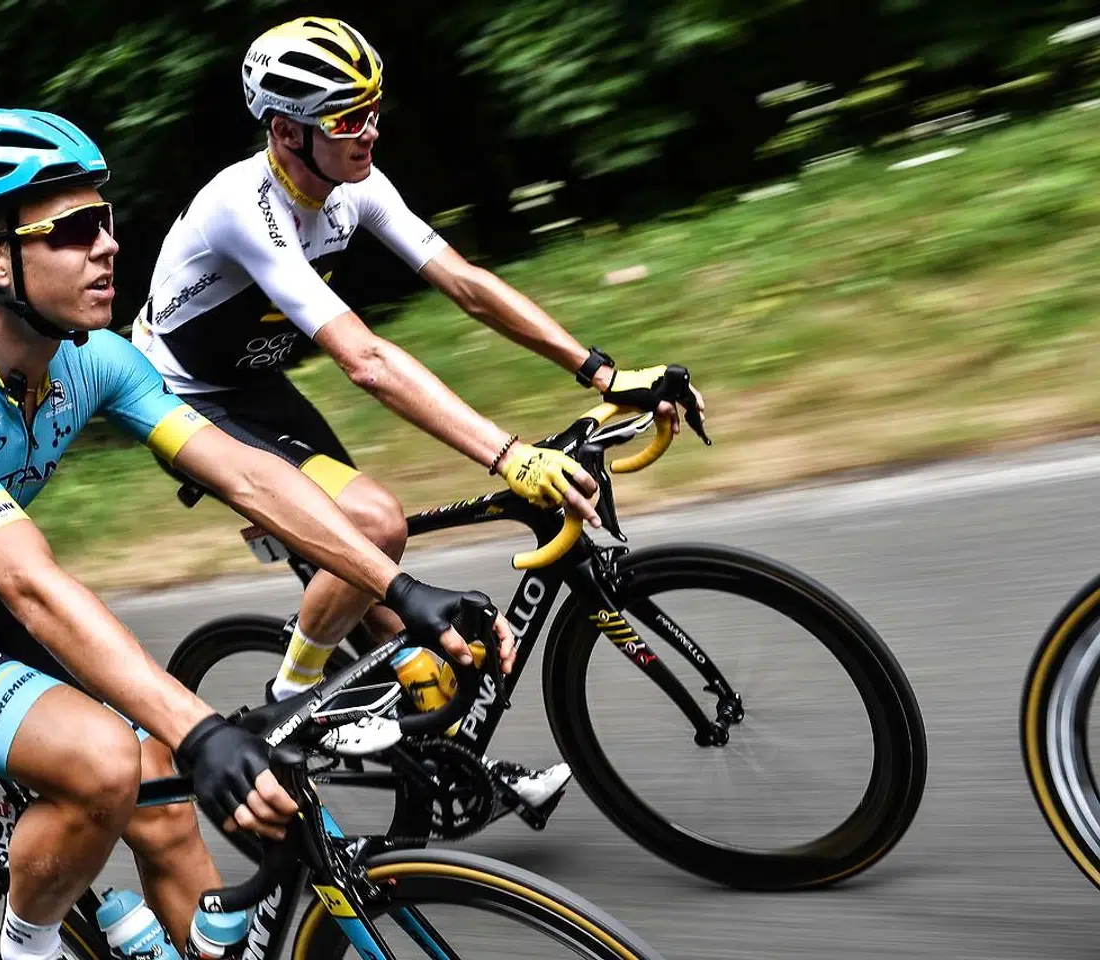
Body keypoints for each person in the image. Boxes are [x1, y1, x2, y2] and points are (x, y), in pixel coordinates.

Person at [0, 107, 514, 960]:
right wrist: (199, 729)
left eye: (107, 221)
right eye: (75, 230)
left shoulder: (97, 359)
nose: (108, 246)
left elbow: (246, 474)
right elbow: (29, 581)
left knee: (167, 811)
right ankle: (24, 946)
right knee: (107, 761)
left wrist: (401, 591)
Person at [134, 15, 704, 814]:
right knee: (375, 525)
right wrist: (508, 454)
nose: (368, 130)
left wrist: (603, 370)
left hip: (257, 388)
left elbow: (464, 284)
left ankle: (441, 773)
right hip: (184, 398)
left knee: (407, 633)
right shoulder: (244, 205)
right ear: (284, 131)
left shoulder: (355, 185)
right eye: (345, 117)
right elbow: (364, 360)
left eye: (373, 107)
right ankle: (291, 709)